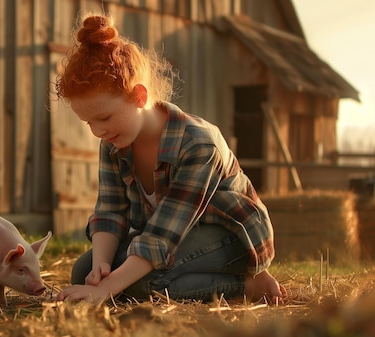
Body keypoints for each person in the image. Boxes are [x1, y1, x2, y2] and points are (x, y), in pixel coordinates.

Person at [54, 14, 286, 305]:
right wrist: (101, 269)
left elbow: (162, 236)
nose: (98, 131)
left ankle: (245, 284)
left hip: (229, 235)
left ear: (139, 96)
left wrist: (106, 289)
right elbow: (110, 210)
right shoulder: (114, 142)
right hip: (171, 236)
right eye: (88, 123)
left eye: (104, 117)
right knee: (82, 271)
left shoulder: (199, 144)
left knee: (145, 286)